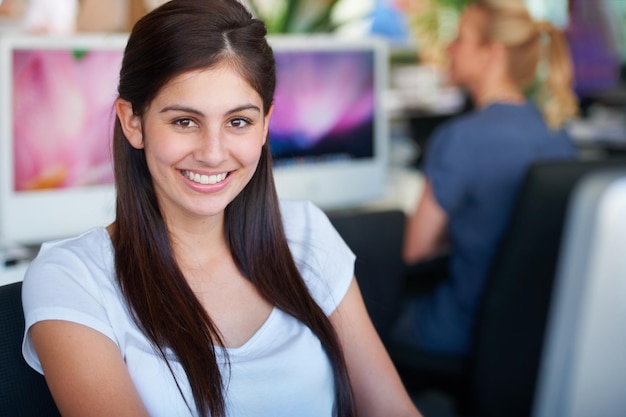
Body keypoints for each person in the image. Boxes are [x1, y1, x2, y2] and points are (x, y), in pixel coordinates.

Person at [20, 1, 423, 416]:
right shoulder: (73, 279)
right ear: (133, 123)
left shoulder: (306, 234)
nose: (213, 154)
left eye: (238, 122)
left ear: (265, 124)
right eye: (184, 121)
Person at [393, 0, 579, 356]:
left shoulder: (462, 137)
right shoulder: (558, 134)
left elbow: (414, 249)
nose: (449, 47)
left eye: (460, 39)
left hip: (455, 329)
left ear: (491, 54)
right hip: (528, 338)